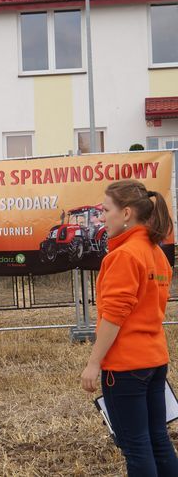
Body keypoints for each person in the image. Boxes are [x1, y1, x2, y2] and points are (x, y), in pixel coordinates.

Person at [80, 179, 178, 476]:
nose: (101, 217)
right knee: (158, 439)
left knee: (136, 446)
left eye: (105, 209)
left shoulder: (123, 255)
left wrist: (94, 363)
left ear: (125, 214)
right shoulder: (156, 252)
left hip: (125, 367)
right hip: (154, 360)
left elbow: (114, 316)